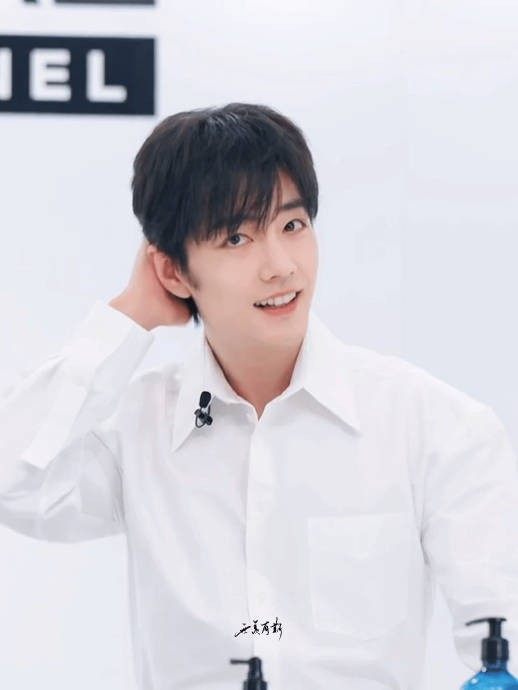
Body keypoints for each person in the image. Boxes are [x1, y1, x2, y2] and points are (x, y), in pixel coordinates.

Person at [1, 102, 518, 690]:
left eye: (293, 226)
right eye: (237, 237)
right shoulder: (138, 428)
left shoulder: (433, 426)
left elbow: (501, 640)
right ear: (172, 271)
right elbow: (12, 479)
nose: (280, 267)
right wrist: (131, 315)